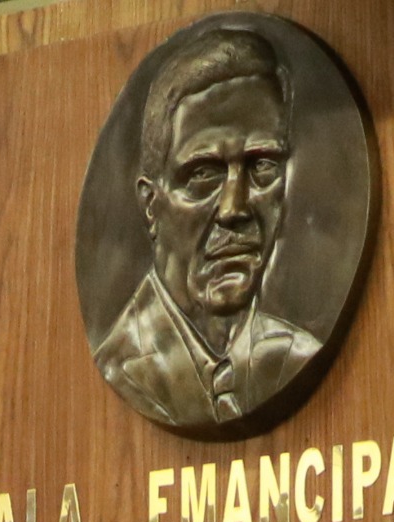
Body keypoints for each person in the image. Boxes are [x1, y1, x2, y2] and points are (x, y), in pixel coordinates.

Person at [91, 24, 325, 431]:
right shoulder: (118, 364)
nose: (235, 208)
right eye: (203, 174)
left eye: (262, 166)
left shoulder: (298, 356)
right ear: (150, 204)